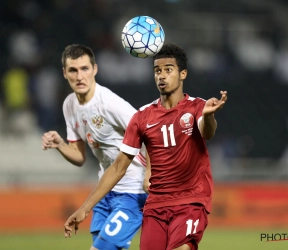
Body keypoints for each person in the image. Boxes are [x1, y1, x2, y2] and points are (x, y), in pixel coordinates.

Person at [64, 43, 228, 250]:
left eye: (168, 70)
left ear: (183, 74)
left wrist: (209, 115)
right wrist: (85, 209)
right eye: (157, 70)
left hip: (190, 201)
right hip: (155, 206)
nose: (162, 76)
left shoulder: (197, 107)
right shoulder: (142, 117)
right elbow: (117, 168)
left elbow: (207, 132)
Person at [41, 44, 148, 250]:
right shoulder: (69, 105)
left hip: (132, 192)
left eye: (84, 69)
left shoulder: (109, 103)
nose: (79, 76)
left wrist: (149, 173)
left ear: (95, 70)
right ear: (65, 73)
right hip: (105, 190)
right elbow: (79, 157)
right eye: (73, 70)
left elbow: (149, 131)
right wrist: (61, 145)